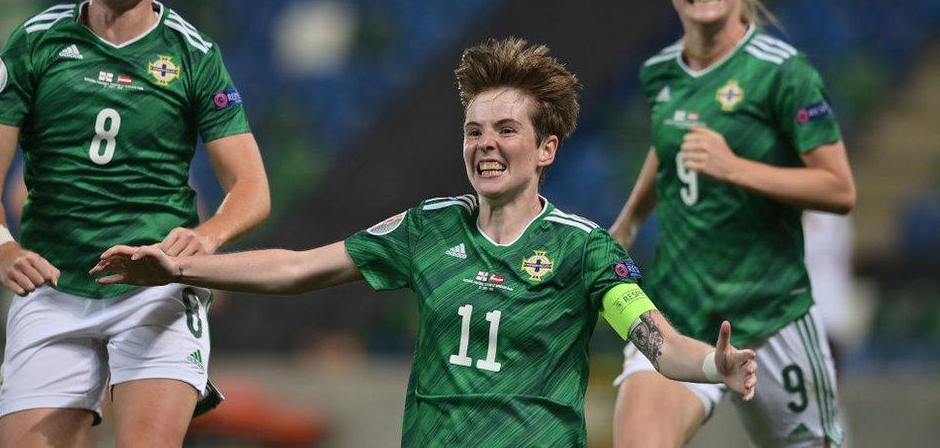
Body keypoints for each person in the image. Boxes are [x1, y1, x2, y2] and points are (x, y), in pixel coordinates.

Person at [92, 37, 757, 447]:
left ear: (547, 147)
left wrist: (714, 367)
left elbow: (657, 342)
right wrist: (178, 267)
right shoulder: (427, 227)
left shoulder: (583, 249)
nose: (485, 144)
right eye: (473, 130)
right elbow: (297, 266)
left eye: (505, 129)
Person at [0, 0, 271, 446]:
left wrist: (206, 237)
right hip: (53, 287)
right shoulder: (35, 41)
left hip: (154, 287)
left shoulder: (193, 55)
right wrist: (1, 246)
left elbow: (251, 188)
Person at [608, 0, 856, 448]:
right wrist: (627, 223)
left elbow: (839, 189)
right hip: (678, 315)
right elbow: (667, 144)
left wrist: (733, 167)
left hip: (771, 318)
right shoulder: (660, 75)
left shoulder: (783, 73)